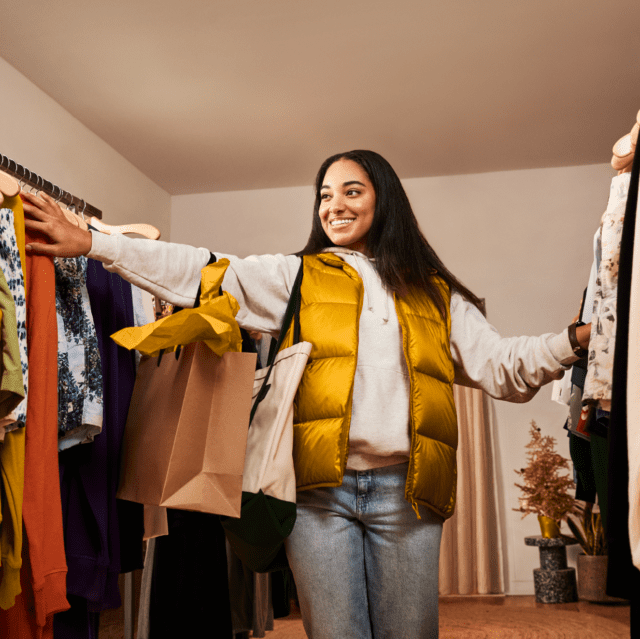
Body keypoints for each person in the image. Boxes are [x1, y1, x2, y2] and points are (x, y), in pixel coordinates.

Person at [22, 150, 590, 639]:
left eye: (351, 190)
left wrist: (572, 340)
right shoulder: (297, 276)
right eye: (324, 195)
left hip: (409, 496)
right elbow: (205, 271)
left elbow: (502, 368)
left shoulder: (435, 295)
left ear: (383, 200)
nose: (333, 205)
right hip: (318, 495)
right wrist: (94, 243)